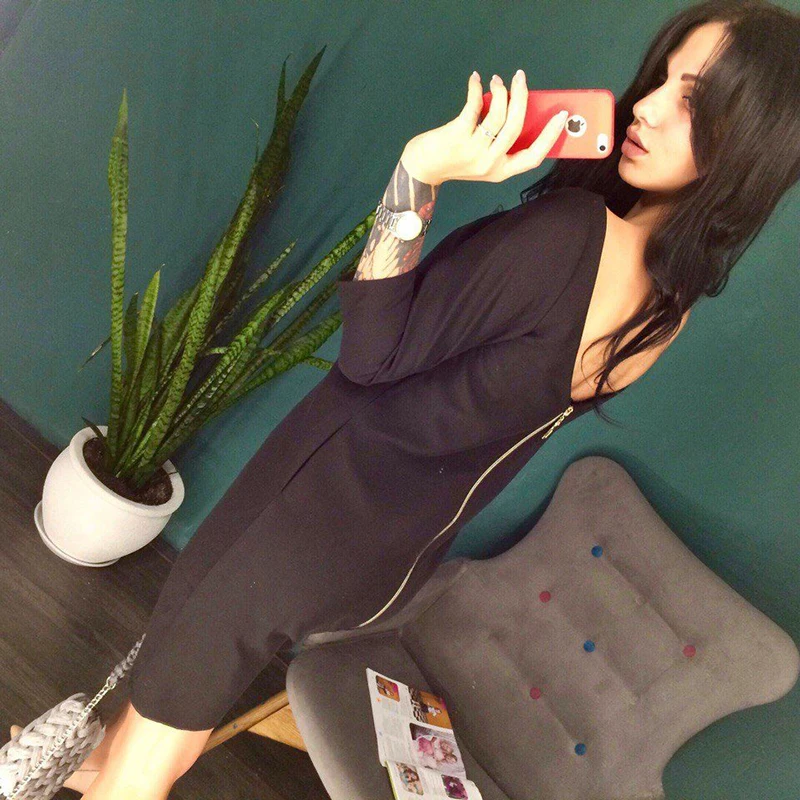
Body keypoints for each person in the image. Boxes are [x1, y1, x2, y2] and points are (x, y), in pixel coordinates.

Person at [21, 2, 796, 797]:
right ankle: (88, 767)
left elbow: (372, 357)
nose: (648, 107)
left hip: (308, 511)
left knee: (163, 722)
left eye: (692, 102)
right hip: (375, 547)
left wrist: (418, 170)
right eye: (662, 77)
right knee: (182, 686)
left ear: (749, 147)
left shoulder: (574, 236)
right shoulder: (666, 312)